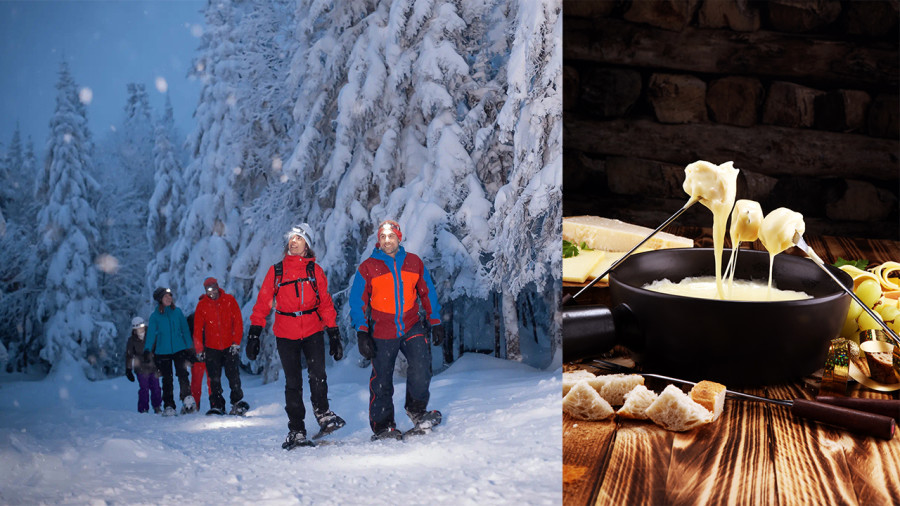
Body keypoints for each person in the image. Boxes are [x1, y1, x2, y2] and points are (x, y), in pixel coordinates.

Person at [247, 223, 346, 449]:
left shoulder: (315, 271)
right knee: (293, 383)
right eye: (291, 238)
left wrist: (333, 333)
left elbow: (325, 304)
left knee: (318, 374)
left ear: (307, 244)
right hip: (286, 332)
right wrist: (254, 332)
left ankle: (323, 414)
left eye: (299, 238)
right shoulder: (277, 271)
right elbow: (263, 303)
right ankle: (297, 430)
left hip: (312, 329)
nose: (294, 242)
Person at [348, 219, 445, 440]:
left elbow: (427, 292)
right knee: (382, 378)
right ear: (378, 241)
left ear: (398, 238)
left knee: (421, 365)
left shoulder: (413, 263)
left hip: (411, 325)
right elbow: (358, 301)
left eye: (391, 236)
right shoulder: (368, 267)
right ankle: (383, 425)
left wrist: (436, 321)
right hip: (383, 329)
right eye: (383, 237)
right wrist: (362, 331)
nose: (387, 240)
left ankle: (417, 410)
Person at [193, 277, 249, 416]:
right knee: (214, 378)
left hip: (230, 345)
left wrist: (236, 342)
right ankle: (217, 405)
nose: (212, 292)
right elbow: (198, 329)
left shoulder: (229, 300)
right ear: (205, 290)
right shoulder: (202, 305)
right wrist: (199, 349)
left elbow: (237, 322)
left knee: (233, 375)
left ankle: (237, 402)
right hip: (212, 347)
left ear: (218, 287)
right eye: (208, 289)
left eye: (213, 288)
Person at [145, 287, 197, 416]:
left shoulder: (177, 312)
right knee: (167, 379)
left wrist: (190, 347)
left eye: (170, 296)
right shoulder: (155, 316)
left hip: (179, 349)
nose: (169, 298)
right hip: (162, 351)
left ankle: (187, 400)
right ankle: (169, 406)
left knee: (183, 375)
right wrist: (147, 350)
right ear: (160, 300)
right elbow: (151, 334)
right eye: (165, 297)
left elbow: (185, 330)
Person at [124, 316, 162, 414]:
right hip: (140, 368)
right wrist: (128, 369)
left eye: (141, 326)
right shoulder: (132, 340)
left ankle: (157, 406)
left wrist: (160, 365)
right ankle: (143, 409)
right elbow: (129, 355)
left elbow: (157, 350)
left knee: (156, 388)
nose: (139, 329)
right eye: (136, 328)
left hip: (153, 366)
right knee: (144, 388)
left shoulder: (151, 335)